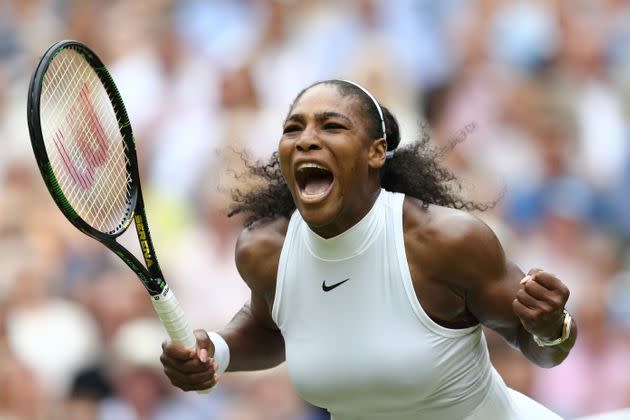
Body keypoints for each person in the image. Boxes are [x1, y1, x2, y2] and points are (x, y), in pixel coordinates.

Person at [160, 80, 577, 419]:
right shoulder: (265, 250)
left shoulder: (446, 244)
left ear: (376, 151)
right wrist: (216, 349)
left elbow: (542, 348)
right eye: (293, 128)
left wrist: (551, 327)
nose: (306, 139)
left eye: (332, 126)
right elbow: (270, 328)